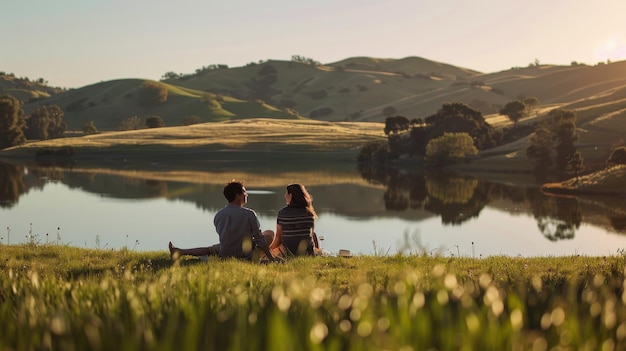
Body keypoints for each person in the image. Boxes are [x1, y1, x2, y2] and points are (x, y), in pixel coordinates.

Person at [169, 180, 281, 262]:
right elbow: (259, 239)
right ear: (237, 196)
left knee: (210, 249)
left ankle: (180, 251)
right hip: (244, 254)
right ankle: (265, 257)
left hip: (225, 251)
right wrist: (271, 258)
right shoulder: (249, 214)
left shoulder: (219, 214)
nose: (246, 194)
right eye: (244, 192)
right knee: (269, 234)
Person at [266, 183, 320, 256]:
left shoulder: (283, 213)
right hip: (307, 253)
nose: (285, 196)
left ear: (290, 196)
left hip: (288, 253)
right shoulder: (309, 213)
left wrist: (268, 251)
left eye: (286, 194)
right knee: (313, 235)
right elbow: (310, 235)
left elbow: (278, 238)